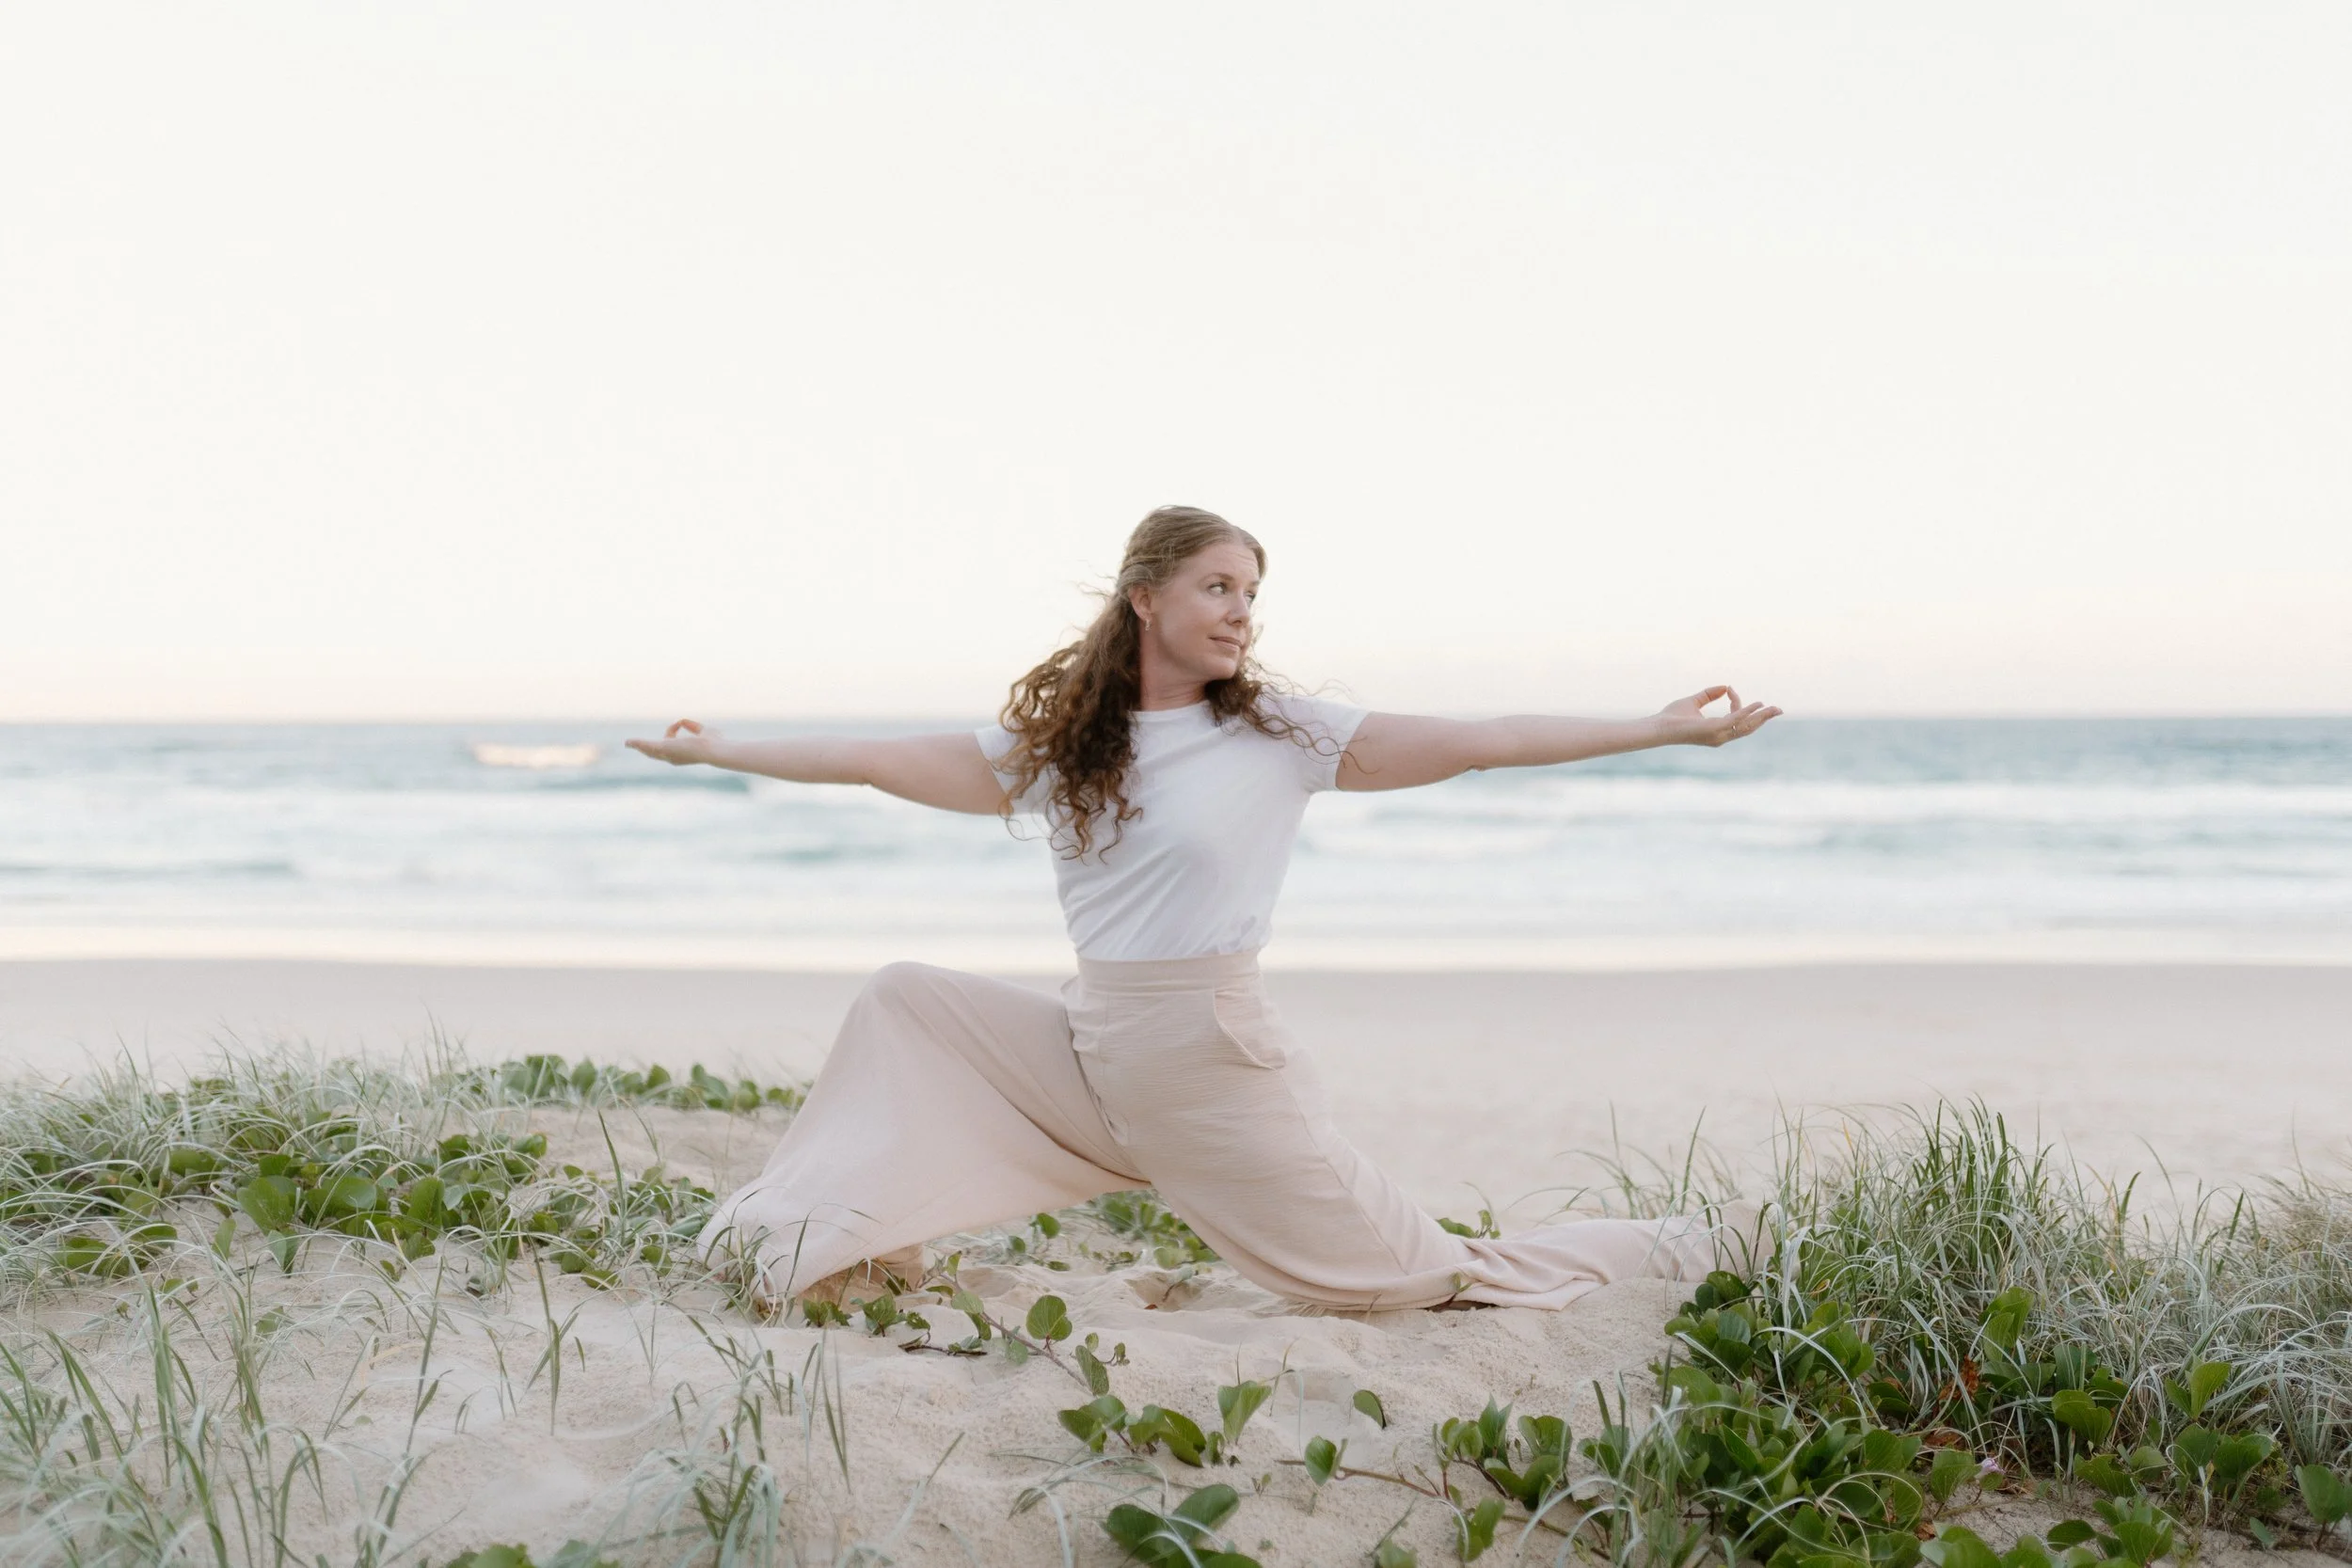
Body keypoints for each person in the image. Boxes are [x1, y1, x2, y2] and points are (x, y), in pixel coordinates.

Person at [627, 506, 1780, 1315]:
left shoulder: (1280, 736)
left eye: (1250, 594)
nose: (1240, 613)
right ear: (1146, 596)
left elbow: (1487, 741)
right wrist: (717, 748)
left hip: (1211, 1069)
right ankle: (801, 1238)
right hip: (1095, 1054)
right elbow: (875, 759)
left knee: (1420, 1279)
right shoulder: (1066, 749)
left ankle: (1702, 1240)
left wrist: (1660, 725)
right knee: (909, 1002)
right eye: (1217, 587)